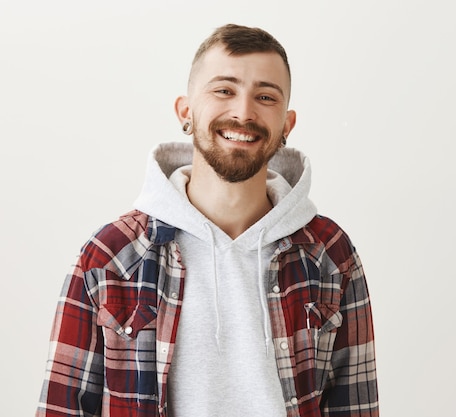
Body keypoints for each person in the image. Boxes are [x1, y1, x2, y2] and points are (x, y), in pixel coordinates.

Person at [36, 23, 378, 417]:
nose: (244, 112)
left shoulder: (331, 253)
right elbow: (61, 409)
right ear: (186, 110)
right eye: (224, 90)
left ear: (287, 124)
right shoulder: (111, 255)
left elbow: (356, 406)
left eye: (265, 96)